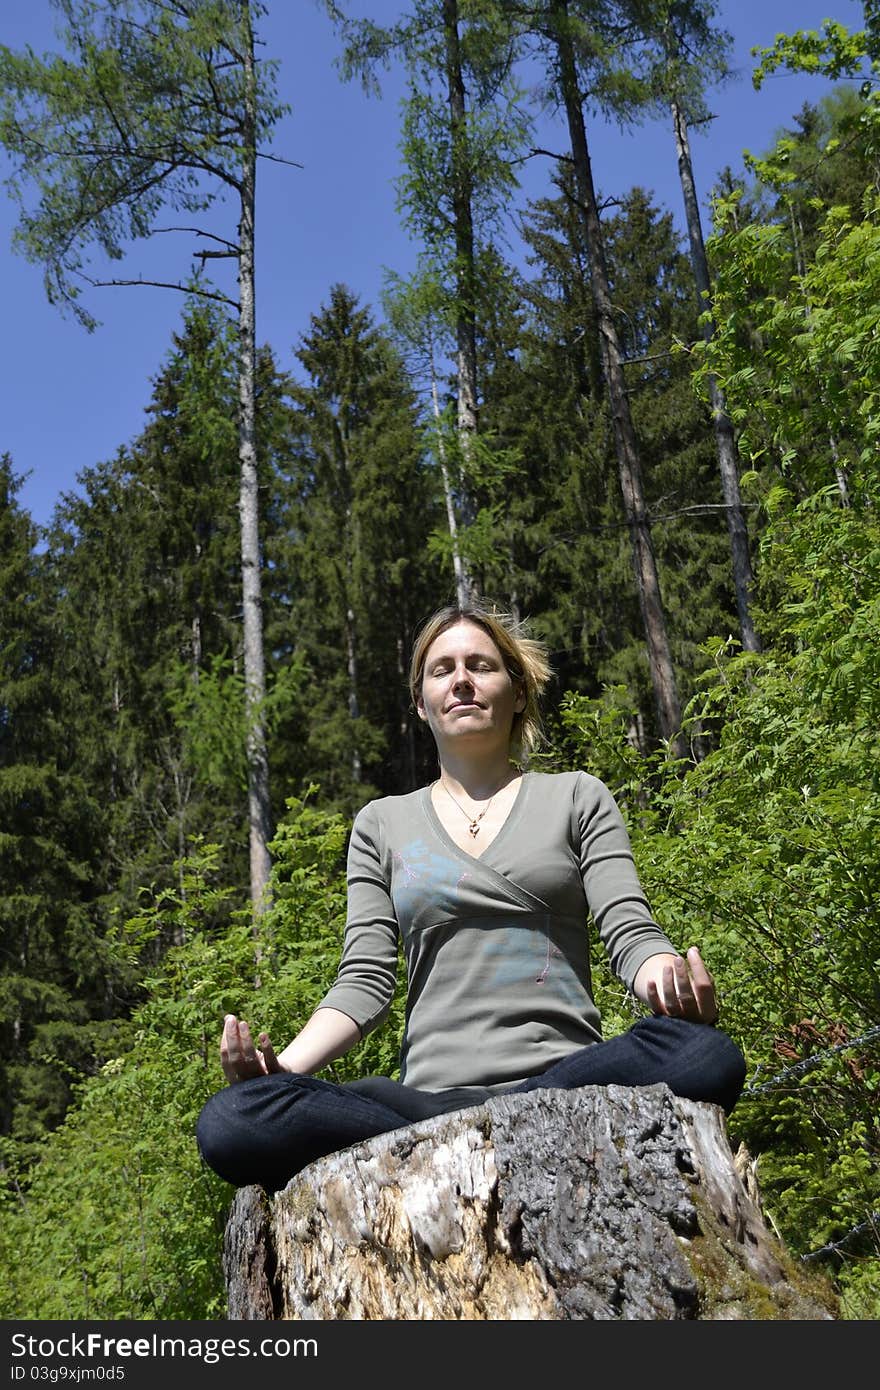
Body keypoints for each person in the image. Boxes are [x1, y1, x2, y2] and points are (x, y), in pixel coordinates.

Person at [196, 601, 747, 1194]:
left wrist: (672, 984)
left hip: (568, 1082)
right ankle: (448, 1134)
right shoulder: (382, 823)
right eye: (442, 669)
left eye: (480, 665)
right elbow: (364, 979)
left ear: (517, 691)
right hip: (420, 1107)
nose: (461, 680)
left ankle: (526, 1120)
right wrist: (282, 1073)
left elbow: (631, 933)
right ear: (421, 703)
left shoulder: (576, 797)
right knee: (232, 1121)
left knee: (705, 1055)